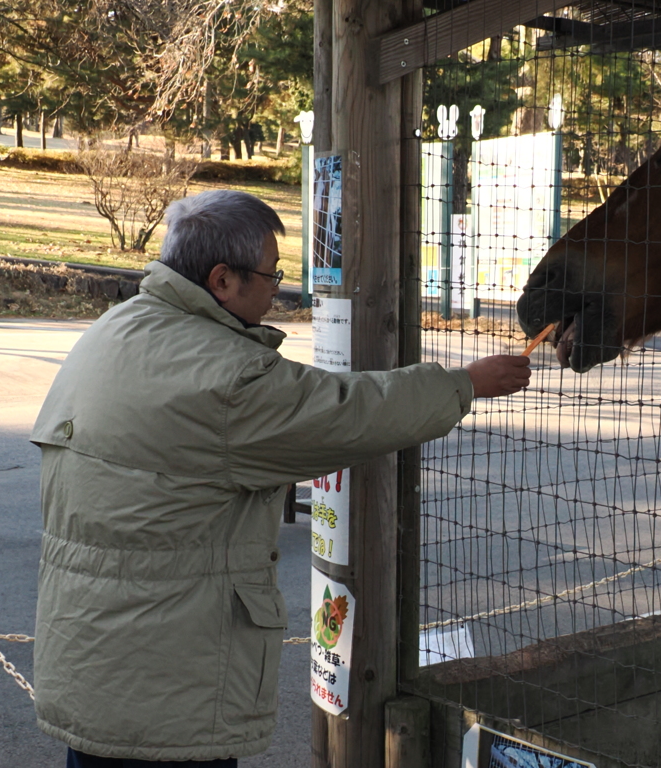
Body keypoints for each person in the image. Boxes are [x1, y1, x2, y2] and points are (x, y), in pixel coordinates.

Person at [30, 189, 531, 767]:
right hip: (170, 693)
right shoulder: (224, 376)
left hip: (96, 669)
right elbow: (346, 413)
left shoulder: (115, 329)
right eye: (271, 275)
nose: (277, 288)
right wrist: (463, 383)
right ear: (222, 280)